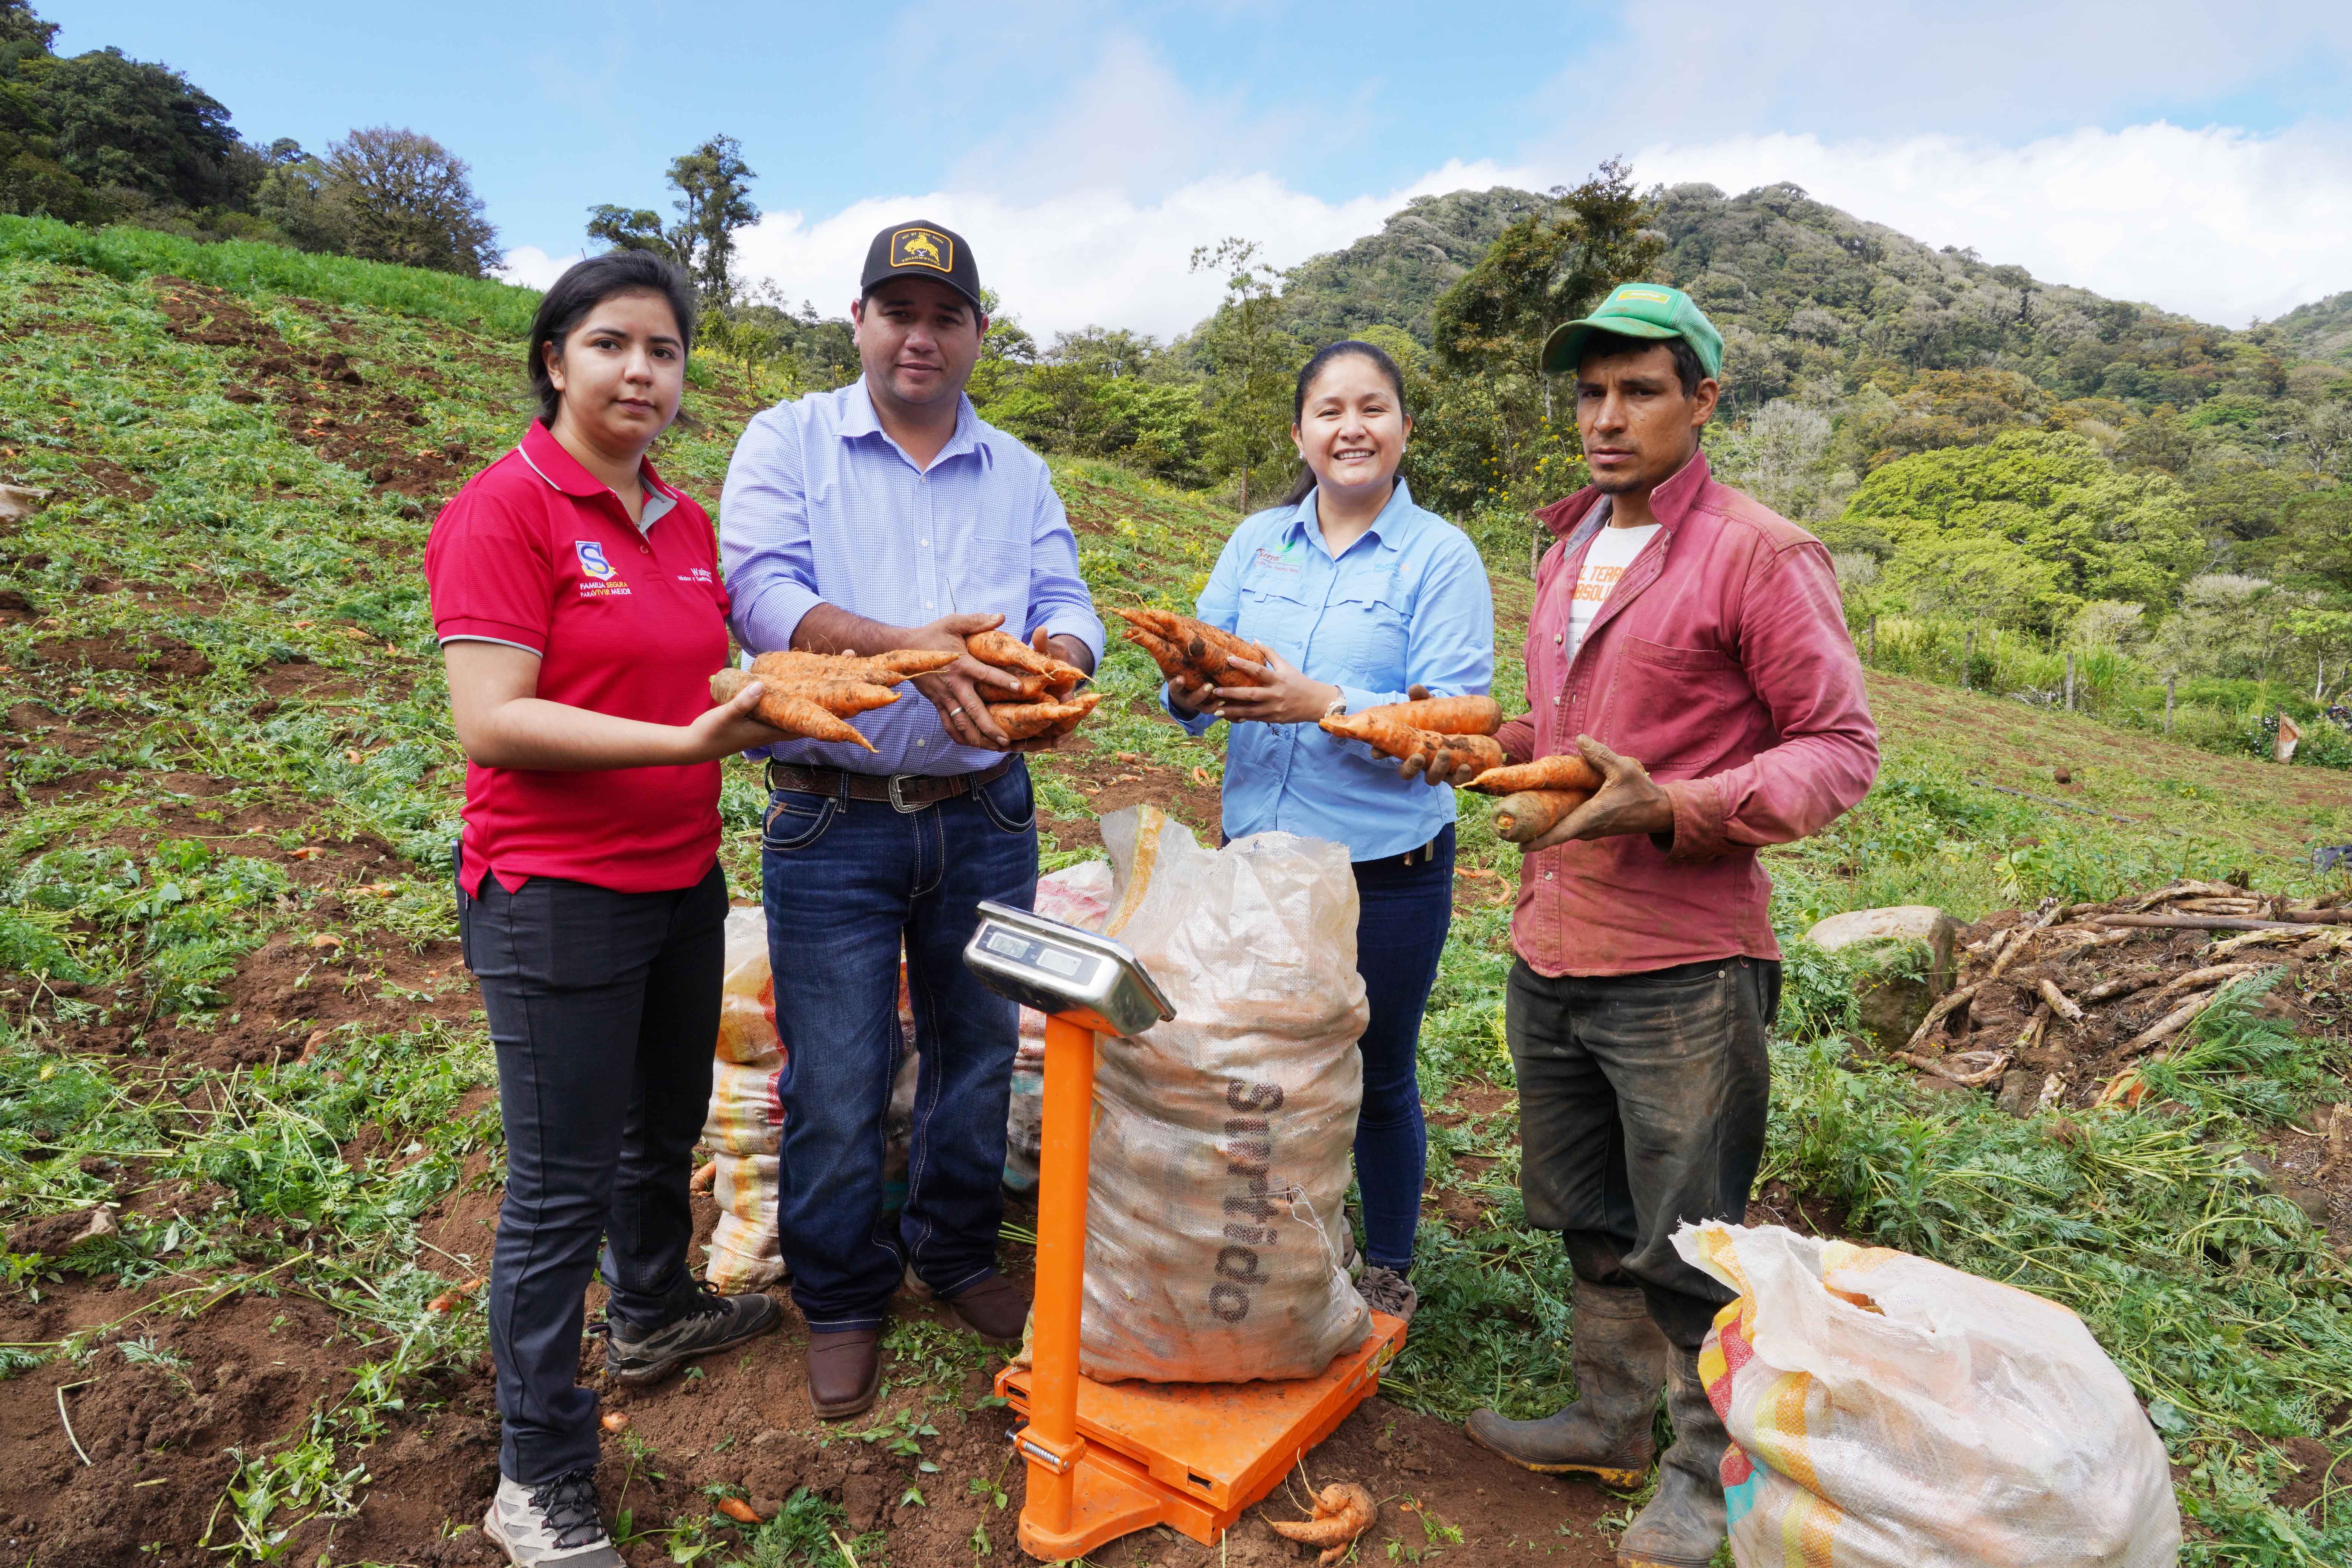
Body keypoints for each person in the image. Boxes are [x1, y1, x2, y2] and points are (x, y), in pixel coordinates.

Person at [1461, 283, 1877, 1568]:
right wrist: (1479, 747)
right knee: (1585, 1206)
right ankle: (1607, 1414)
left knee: (1694, 1232)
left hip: (1685, 963)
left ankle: (1706, 1475)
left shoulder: (1759, 553)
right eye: (1591, 393)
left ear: (1703, 401)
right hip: (1554, 943)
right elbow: (1562, 735)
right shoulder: (1565, 546)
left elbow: (1840, 748)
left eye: (1640, 390)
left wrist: (1678, 805)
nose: (1608, 416)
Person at [427, 251, 792, 1568]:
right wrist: (692, 745)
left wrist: (751, 716)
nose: (643, 372)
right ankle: (538, 1470)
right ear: (555, 359)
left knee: (661, 1128)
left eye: (666, 352)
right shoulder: (508, 510)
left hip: (680, 883)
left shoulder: (683, 524)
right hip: (553, 898)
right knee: (555, 1190)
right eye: (613, 345)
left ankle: (654, 1310)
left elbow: (707, 686)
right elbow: (494, 718)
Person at [718, 220, 1104, 1419]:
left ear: (979, 333)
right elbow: (763, 596)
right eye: (899, 311)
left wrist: (1055, 663)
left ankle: (953, 1250)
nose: (920, 335)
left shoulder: (1020, 471)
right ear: (860, 322)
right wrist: (911, 649)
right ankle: (840, 1293)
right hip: (832, 817)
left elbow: (1064, 596)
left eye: (945, 315)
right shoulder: (789, 441)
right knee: (837, 1069)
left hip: (985, 806)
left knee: (977, 1048)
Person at [1165, 339, 1493, 1323]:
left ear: (1403, 429)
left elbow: (1454, 725)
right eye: (1330, 411)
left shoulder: (1440, 558)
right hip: (1255, 866)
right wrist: (1187, 686)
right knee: (1253, 1058)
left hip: (1381, 875)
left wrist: (1323, 702)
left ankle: (1387, 1264)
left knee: (1375, 1072)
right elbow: (1197, 685)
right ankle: (1265, 1242)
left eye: (1374, 408)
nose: (1352, 427)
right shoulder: (1255, 543)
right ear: (1301, 433)